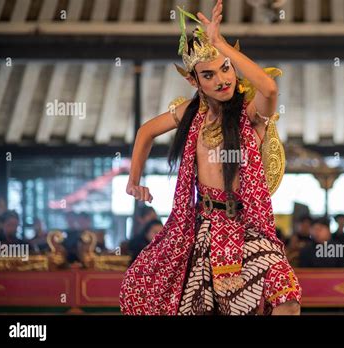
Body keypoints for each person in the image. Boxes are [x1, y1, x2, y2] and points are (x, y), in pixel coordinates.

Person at [120, 0, 301, 316]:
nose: (222, 79)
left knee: (286, 294)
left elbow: (269, 88)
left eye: (226, 68)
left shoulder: (251, 114)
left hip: (248, 228)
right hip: (201, 227)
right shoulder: (191, 115)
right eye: (209, 74)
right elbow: (146, 132)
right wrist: (134, 181)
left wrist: (220, 45)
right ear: (193, 81)